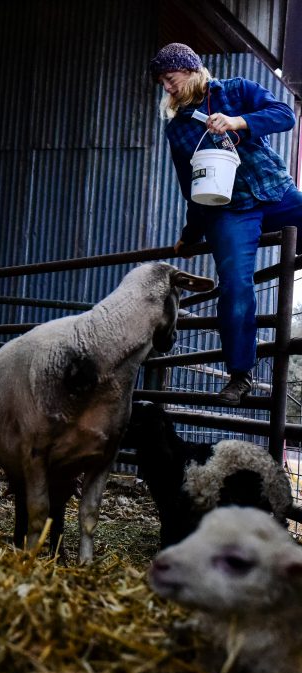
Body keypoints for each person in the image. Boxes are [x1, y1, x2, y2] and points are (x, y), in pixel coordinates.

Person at [150, 42, 302, 405]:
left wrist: (239, 122)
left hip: (274, 191)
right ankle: (240, 373)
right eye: (163, 84)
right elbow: (192, 189)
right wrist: (188, 238)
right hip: (230, 210)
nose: (167, 89)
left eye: (170, 79)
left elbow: (285, 115)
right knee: (235, 284)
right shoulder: (178, 131)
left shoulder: (237, 90)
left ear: (190, 69)